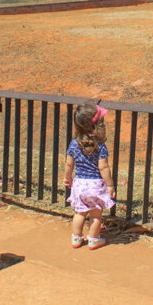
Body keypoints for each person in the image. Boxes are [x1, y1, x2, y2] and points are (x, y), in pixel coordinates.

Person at [63, 101, 116, 250]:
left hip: (79, 184)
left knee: (79, 213)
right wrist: (110, 185)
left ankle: (76, 239)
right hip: (95, 185)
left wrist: (67, 178)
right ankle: (93, 239)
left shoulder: (74, 144)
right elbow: (103, 167)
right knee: (95, 215)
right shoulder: (100, 145)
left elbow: (69, 164)